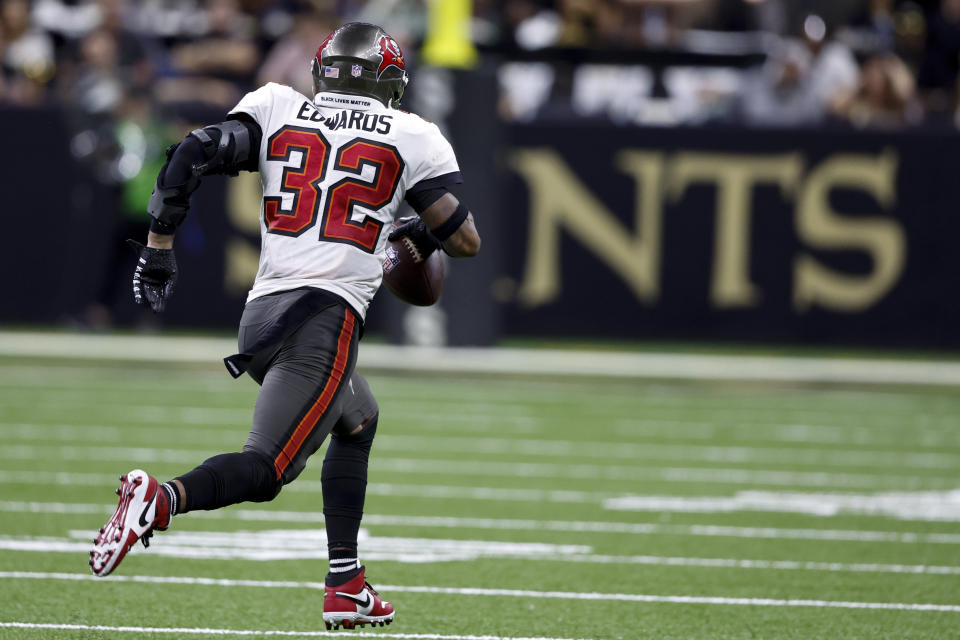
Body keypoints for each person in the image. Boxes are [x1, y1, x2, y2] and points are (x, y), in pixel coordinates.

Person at [89, 22, 481, 631]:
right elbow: (464, 239)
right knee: (267, 469)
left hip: (264, 315)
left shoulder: (278, 106)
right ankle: (160, 500)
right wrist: (413, 235)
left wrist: (159, 249)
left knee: (358, 418)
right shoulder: (412, 134)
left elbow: (190, 152)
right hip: (323, 319)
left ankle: (346, 582)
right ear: (388, 84)